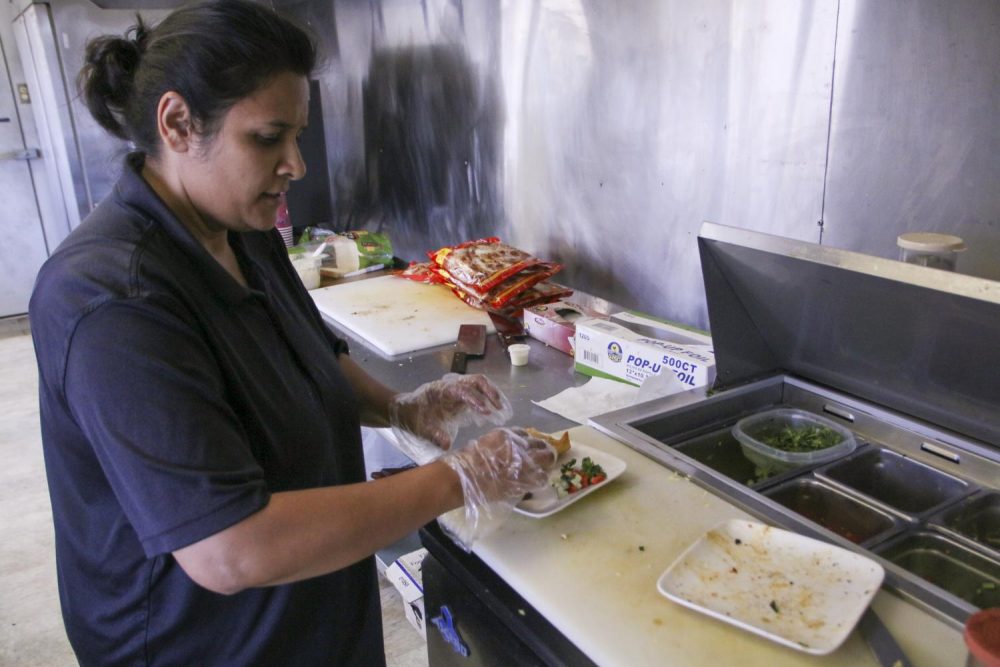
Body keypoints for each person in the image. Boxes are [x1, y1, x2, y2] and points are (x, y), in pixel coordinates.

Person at [28, 1, 556, 665]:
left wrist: (398, 406)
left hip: (313, 610)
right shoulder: (112, 300)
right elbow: (232, 549)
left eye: (298, 136)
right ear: (178, 123)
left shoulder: (240, 231)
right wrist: (464, 476)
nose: (295, 164)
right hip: (203, 643)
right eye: (267, 137)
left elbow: (311, 355)